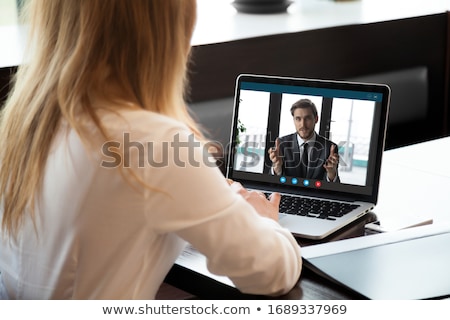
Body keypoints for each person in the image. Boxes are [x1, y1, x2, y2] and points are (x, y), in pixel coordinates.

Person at [0, 0, 301, 299]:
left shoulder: (24, 124)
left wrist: (208, 199)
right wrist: (262, 221)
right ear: (167, 30)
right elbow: (270, 273)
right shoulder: (151, 141)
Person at [269, 99, 340, 182]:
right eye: (298, 119)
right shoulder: (282, 145)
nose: (303, 124)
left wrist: (331, 174)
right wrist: (277, 169)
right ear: (294, 120)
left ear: (316, 119)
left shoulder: (329, 148)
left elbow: (333, 190)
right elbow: (270, 186)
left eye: (308, 118)